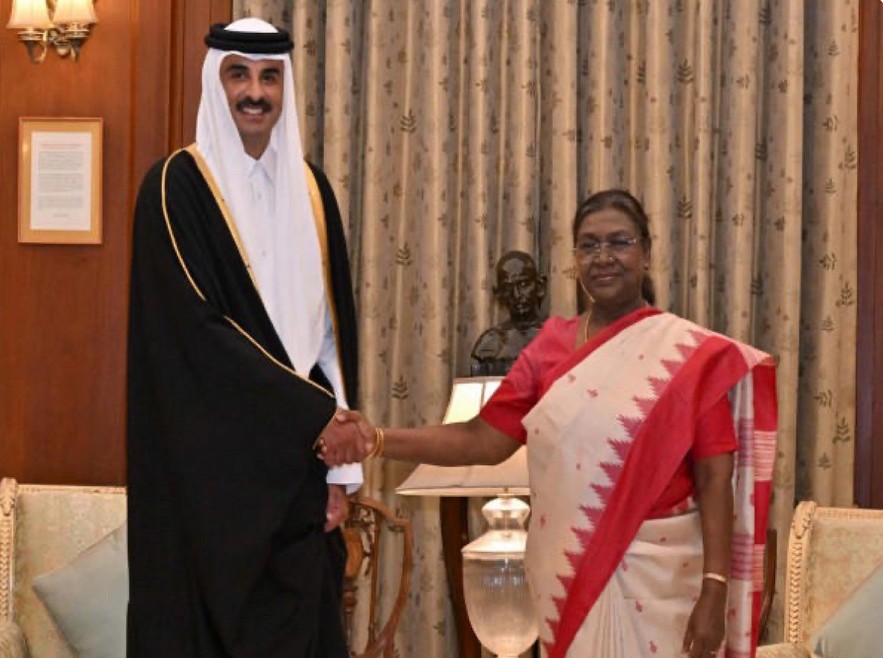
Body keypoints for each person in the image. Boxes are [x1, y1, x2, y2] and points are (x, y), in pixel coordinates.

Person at [330, 189, 777, 658]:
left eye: (619, 242)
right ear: (574, 259)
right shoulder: (551, 346)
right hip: (570, 578)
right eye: (588, 245)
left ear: (646, 251)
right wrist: (377, 439)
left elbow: (714, 477)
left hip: (664, 585)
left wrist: (715, 588)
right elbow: (480, 439)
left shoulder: (688, 357)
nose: (603, 257)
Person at [127, 18, 370, 658]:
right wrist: (318, 419)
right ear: (217, 83)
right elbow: (196, 338)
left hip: (299, 477)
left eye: (269, 77)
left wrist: (340, 471)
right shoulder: (174, 186)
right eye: (239, 74)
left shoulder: (314, 192)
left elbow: (328, 341)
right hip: (208, 477)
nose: (254, 92)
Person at [471, 250, 548, 376]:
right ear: (499, 294)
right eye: (507, 288)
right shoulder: (489, 345)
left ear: (540, 287)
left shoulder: (558, 338)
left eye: (523, 284)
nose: (516, 295)